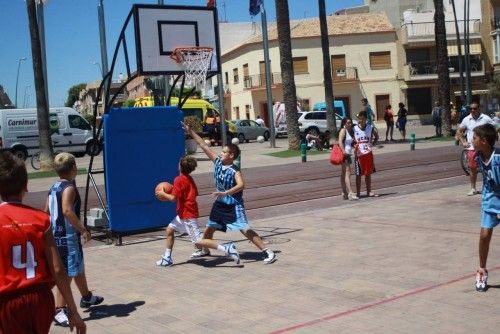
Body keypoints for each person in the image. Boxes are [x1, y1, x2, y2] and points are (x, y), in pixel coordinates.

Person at [0, 151, 86, 334]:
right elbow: (57, 269)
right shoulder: (40, 220)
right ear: (26, 186)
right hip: (40, 298)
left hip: (8, 299)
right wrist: (72, 310)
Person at [182, 121, 277, 264]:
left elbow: (241, 185)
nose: (221, 153)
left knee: (244, 229)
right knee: (209, 228)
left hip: (234, 205)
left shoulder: (234, 170)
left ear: (231, 155)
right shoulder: (218, 162)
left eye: (224, 152)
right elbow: (203, 145)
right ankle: (204, 249)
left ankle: (268, 252)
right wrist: (190, 131)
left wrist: (225, 193)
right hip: (220, 204)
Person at [46, 152, 104, 327]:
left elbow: (46, 211)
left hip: (57, 235)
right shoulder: (69, 188)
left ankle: (86, 297)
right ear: (73, 168)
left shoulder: (54, 187)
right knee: (67, 273)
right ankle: (59, 309)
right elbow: (67, 211)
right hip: (67, 236)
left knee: (77, 266)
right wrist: (83, 229)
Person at [155, 155, 240, 267]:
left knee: (198, 241)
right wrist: (176, 191)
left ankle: (227, 248)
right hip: (184, 214)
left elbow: (173, 198)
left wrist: (162, 194)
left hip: (187, 215)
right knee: (170, 229)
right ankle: (167, 258)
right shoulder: (189, 179)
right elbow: (191, 193)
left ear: (180, 166)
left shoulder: (178, 179)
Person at [471, 124, 500, 292]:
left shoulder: (498, 157)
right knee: (484, 234)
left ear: (484, 141)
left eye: (474, 138)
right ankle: (482, 270)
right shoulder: (477, 156)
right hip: (490, 198)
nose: (472, 140)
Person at [457, 102, 495, 196]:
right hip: (472, 148)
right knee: (473, 168)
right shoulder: (466, 119)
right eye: (471, 109)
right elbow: (459, 131)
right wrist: (463, 141)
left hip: (485, 147)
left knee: (488, 167)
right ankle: (473, 188)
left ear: (479, 109)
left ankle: (489, 187)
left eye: (475, 108)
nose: (473, 110)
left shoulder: (485, 118)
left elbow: (495, 127)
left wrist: (492, 138)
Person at [354, 110, 379, 198]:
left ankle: (369, 191)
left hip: (368, 153)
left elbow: (377, 136)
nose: (360, 120)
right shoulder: (354, 128)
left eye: (361, 118)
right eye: (359, 118)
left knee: (368, 173)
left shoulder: (370, 127)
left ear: (365, 119)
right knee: (358, 174)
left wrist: (372, 143)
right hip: (358, 154)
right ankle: (358, 193)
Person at [338, 117, 358, 201]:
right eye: (348, 123)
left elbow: (349, 142)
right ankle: (350, 192)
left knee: (343, 173)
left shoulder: (349, 131)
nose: (349, 124)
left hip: (348, 153)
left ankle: (344, 192)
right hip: (345, 154)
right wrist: (343, 152)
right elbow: (340, 141)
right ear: (344, 123)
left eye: (350, 123)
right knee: (347, 173)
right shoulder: (343, 130)